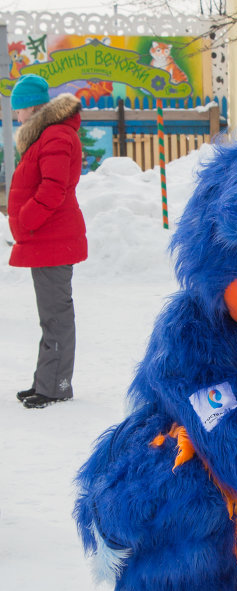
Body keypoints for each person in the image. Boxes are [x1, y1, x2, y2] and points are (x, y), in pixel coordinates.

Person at [8, 74, 87, 409]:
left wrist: (26, 218)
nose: (15, 116)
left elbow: (52, 189)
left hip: (52, 238)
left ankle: (56, 386)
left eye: (18, 109)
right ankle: (47, 380)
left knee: (55, 315)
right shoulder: (48, 135)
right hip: (47, 239)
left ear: (31, 107)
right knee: (50, 315)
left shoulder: (55, 135)